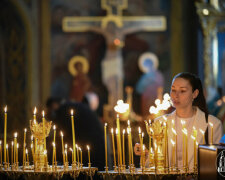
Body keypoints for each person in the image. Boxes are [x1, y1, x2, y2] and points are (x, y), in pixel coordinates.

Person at [134, 72, 223, 170]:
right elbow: (157, 164)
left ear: (195, 93)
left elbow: (217, 164)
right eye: (173, 90)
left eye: (182, 91)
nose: (176, 95)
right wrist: (146, 155)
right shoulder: (160, 123)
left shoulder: (212, 124)